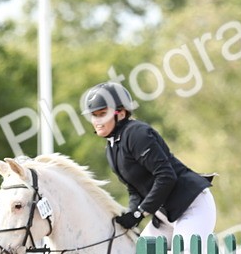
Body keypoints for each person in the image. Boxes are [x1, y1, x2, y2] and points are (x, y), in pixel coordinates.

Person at [81, 81, 217, 244]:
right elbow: (134, 189)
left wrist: (140, 213)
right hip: (165, 216)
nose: (97, 121)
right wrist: (131, 214)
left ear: (121, 113)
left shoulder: (137, 134)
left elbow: (166, 176)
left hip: (191, 207)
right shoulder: (112, 148)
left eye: (102, 114)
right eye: (94, 115)